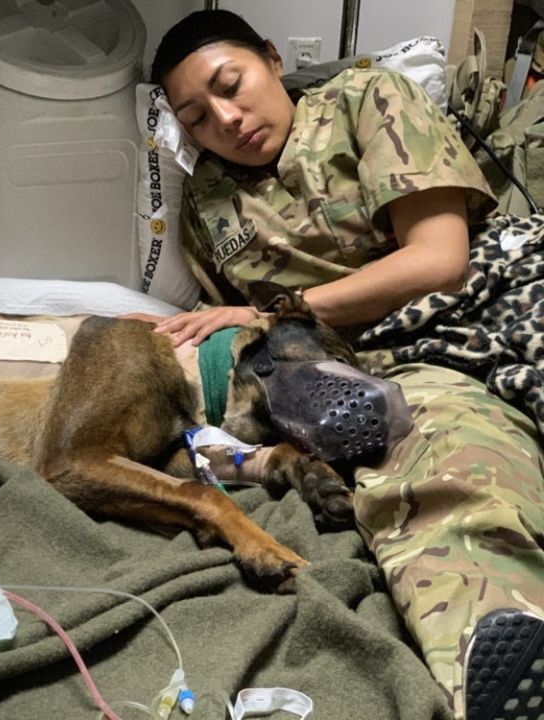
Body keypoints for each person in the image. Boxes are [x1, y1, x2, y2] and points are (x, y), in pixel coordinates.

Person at [137, 10, 544, 720]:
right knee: (444, 468)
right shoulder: (208, 201)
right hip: (391, 363)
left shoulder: (367, 99)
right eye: (196, 117)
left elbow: (440, 258)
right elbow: (236, 325)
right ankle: (494, 647)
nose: (226, 121)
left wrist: (276, 308)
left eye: (232, 85)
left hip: (489, 293)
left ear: (270, 59)